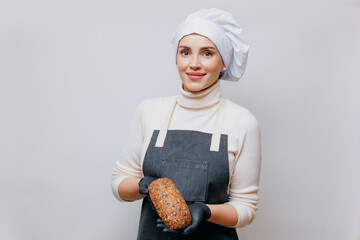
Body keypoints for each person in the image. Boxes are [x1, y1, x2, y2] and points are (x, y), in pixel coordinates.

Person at [111, 8, 262, 240]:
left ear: (224, 62)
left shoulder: (242, 122)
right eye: (185, 52)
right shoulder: (149, 111)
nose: (194, 64)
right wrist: (144, 184)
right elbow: (119, 184)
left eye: (207, 53)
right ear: (176, 57)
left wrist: (206, 210)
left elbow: (246, 208)